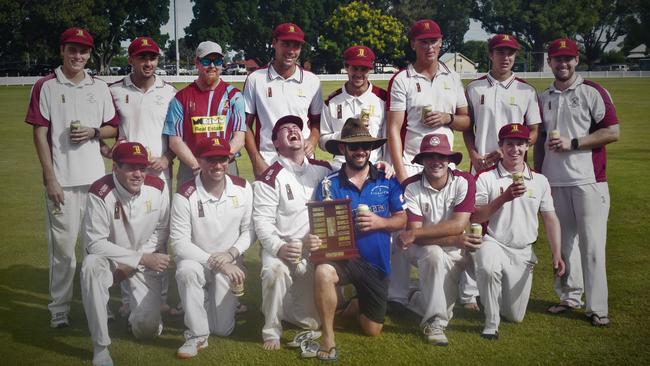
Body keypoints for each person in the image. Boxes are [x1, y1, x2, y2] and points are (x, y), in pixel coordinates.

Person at [24, 27, 119, 328]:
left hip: (95, 184)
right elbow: (40, 134)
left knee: (97, 251)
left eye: (84, 51)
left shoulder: (99, 87)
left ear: (90, 54)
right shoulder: (46, 86)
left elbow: (113, 127)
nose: (78, 56)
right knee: (64, 254)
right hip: (62, 183)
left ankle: (100, 305)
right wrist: (50, 177)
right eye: (72, 50)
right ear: (62, 50)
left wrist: (93, 132)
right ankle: (59, 310)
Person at [534, 38, 619, 327]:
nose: (563, 64)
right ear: (550, 61)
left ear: (576, 59)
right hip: (554, 181)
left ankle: (597, 307)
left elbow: (612, 131)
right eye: (557, 59)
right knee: (564, 243)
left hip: (588, 180)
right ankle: (570, 296)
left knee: (592, 245)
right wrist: (537, 175)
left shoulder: (592, 91)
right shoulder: (543, 97)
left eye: (568, 58)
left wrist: (574, 143)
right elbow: (539, 141)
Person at [312, 118, 406, 361]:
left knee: (372, 330)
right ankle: (328, 337)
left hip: (376, 265)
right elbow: (319, 223)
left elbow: (402, 219)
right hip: (344, 258)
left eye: (365, 145)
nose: (360, 151)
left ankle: (354, 306)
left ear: (371, 148)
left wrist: (381, 223)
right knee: (323, 271)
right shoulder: (327, 184)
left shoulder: (387, 180)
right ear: (343, 149)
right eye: (354, 147)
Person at [460, 33, 543, 310]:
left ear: (515, 56)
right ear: (490, 54)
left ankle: (501, 280)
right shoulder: (474, 88)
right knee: (477, 225)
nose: (505, 57)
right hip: (481, 167)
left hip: (512, 168)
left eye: (510, 53)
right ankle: (470, 291)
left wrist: (511, 149)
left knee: (506, 222)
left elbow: (534, 131)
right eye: (499, 52)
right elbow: (467, 129)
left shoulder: (526, 91)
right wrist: (473, 154)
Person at [471, 123, 565, 339]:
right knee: (487, 268)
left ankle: (493, 296)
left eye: (520, 144)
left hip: (523, 250)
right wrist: (505, 197)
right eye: (510, 144)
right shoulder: (486, 177)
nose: (515, 150)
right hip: (494, 241)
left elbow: (550, 218)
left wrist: (557, 254)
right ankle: (491, 323)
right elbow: (476, 217)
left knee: (514, 316)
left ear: (527, 146)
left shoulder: (540, 181)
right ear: (501, 147)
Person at [80, 142, 170, 366]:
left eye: (142, 167)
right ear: (115, 167)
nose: (138, 174)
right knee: (90, 266)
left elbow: (162, 229)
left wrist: (139, 259)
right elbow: (95, 243)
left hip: (143, 257)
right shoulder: (99, 191)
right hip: (110, 260)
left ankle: (136, 316)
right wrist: (136, 259)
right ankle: (101, 348)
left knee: (148, 331)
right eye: (130, 167)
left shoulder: (158, 186)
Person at [109, 35, 177, 317]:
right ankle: (127, 299)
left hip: (158, 175)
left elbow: (175, 134)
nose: (147, 63)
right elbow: (107, 130)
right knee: (127, 236)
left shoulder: (170, 92)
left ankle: (159, 297)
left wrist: (167, 158)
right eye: (141, 57)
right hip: (126, 175)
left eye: (152, 58)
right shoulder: (113, 91)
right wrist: (109, 151)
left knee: (160, 236)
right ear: (131, 59)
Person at [253, 115, 333, 351]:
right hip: (281, 248)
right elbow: (262, 223)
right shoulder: (269, 178)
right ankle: (271, 329)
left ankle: (281, 304)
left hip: (313, 252)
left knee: (312, 323)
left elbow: (354, 169)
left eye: (296, 127)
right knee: (274, 272)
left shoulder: (323, 170)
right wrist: (280, 247)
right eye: (285, 129)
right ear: (276, 143)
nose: (292, 130)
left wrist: (382, 166)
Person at [170, 137, 254, 359]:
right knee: (186, 271)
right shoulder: (184, 194)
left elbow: (249, 231)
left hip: (229, 261)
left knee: (222, 330)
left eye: (222, 160)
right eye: (210, 160)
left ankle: (204, 301)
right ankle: (195, 335)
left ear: (229, 159)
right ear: (199, 161)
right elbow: (178, 243)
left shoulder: (243, 188)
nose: (217, 166)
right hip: (196, 261)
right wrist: (216, 262)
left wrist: (230, 255)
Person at [393, 133, 477, 346]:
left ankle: (415, 297)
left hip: (456, 248)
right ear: (421, 160)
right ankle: (434, 323)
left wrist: (416, 233)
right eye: (430, 156)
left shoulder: (464, 180)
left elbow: (458, 225)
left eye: (441, 156)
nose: (436, 161)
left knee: (512, 313)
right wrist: (453, 240)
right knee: (433, 254)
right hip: (424, 249)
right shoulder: (411, 186)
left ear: (449, 159)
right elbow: (417, 239)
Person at [387, 19, 470, 183]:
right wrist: (403, 176)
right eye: (423, 42)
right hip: (412, 164)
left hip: (445, 163)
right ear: (413, 44)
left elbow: (466, 121)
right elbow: (393, 130)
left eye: (433, 41)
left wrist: (448, 118)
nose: (429, 47)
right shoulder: (402, 79)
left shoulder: (453, 77)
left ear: (441, 42)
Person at [243, 23, 323, 177]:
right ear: (274, 43)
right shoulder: (255, 79)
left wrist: (312, 140)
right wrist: (256, 161)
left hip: (303, 159)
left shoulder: (312, 80)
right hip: (268, 159)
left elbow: (316, 122)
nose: (291, 51)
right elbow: (245, 125)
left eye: (296, 46)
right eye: (285, 44)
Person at [163, 40, 246, 185]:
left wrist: (221, 161)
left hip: (226, 165)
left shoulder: (234, 95)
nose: (213, 66)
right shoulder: (181, 97)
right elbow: (175, 141)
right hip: (191, 166)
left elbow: (239, 137)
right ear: (197, 62)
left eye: (218, 61)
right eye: (207, 61)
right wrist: (197, 166)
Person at [320, 45, 387, 170]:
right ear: (346, 67)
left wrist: (388, 164)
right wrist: (346, 134)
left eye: (364, 69)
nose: (359, 74)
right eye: (355, 68)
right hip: (340, 167)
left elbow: (389, 139)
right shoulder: (332, 101)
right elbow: (323, 142)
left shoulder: (383, 99)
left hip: (373, 167)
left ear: (370, 70)